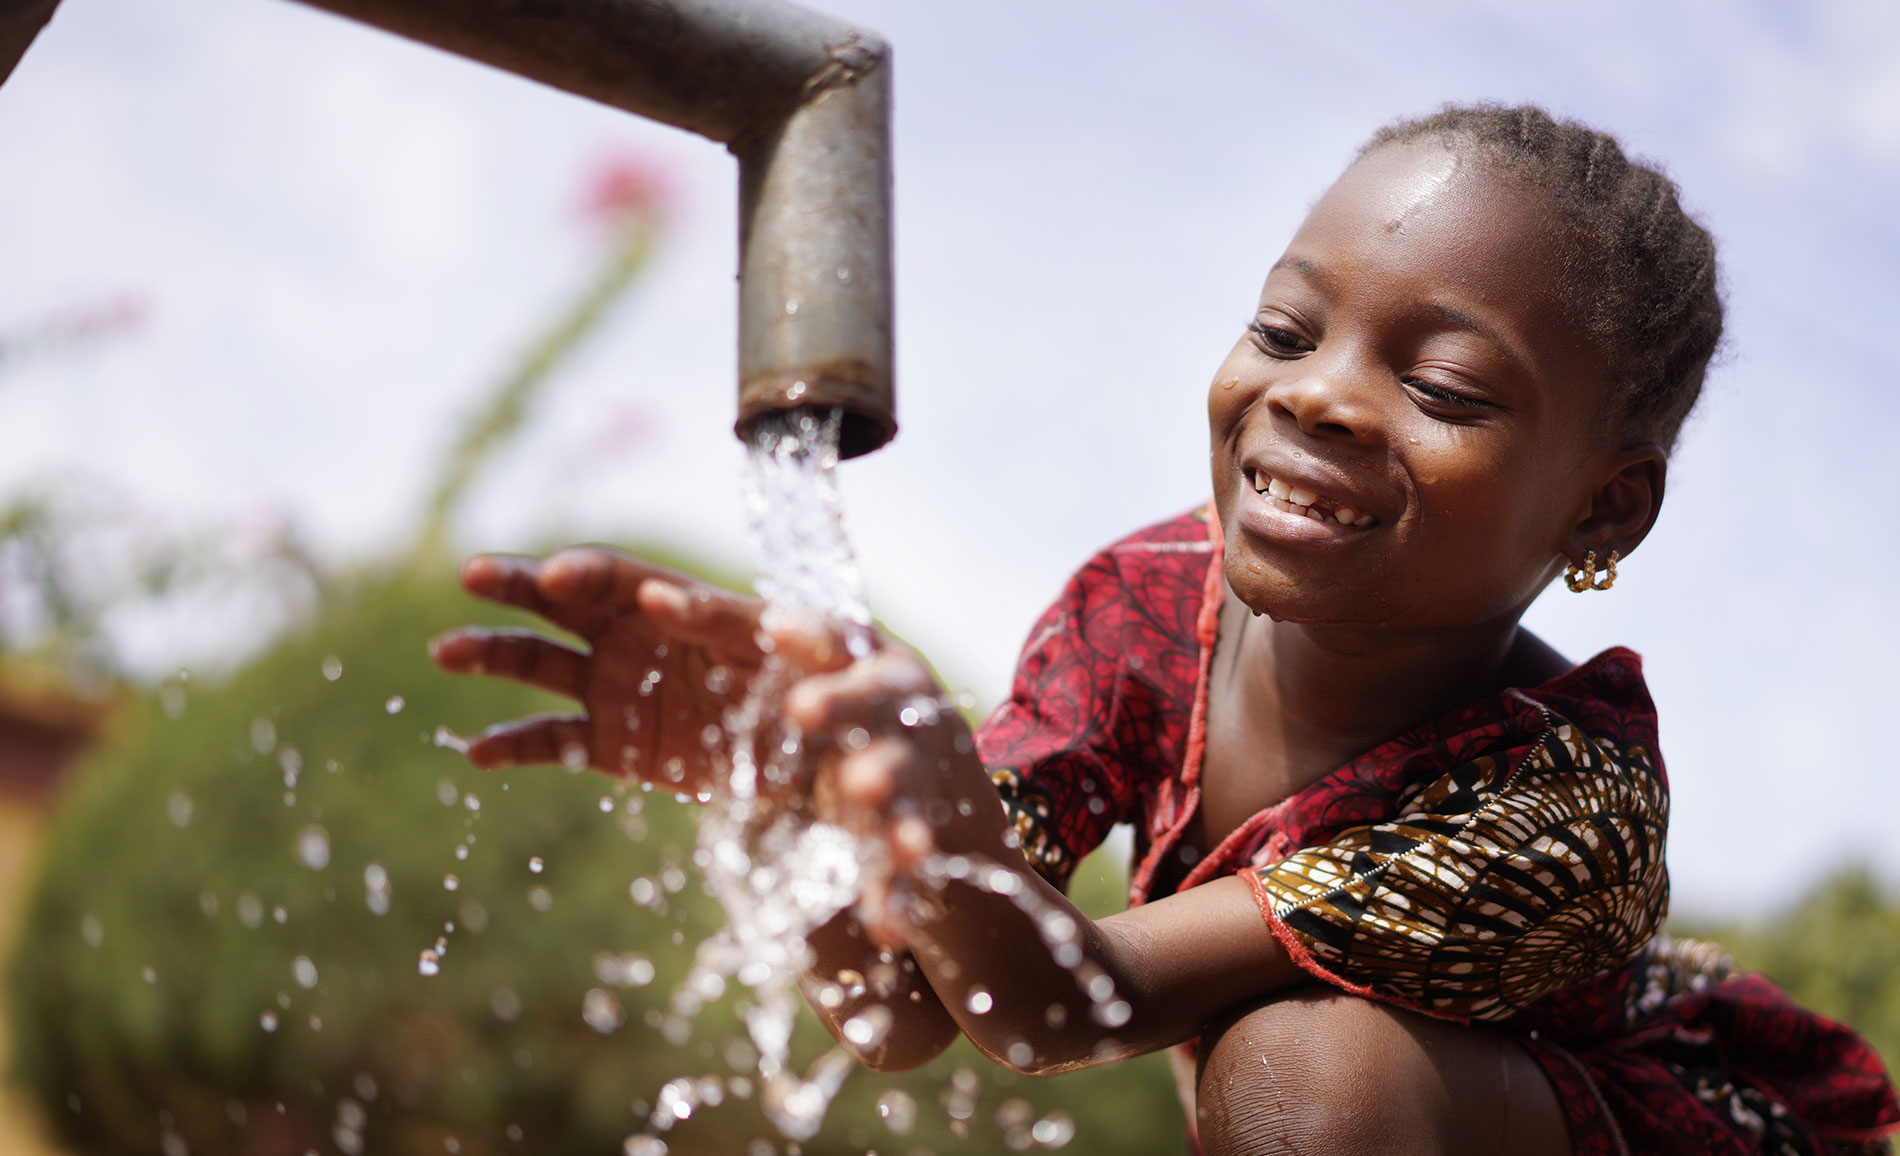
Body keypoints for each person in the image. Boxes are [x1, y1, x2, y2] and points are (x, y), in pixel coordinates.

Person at [430, 104, 1900, 1155]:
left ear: (1603, 512)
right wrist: (798, 798)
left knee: (1306, 1078)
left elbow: (1069, 1005)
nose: (1319, 394)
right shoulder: (1144, 604)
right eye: (1283, 329)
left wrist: (928, 822)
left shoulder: (1561, 800)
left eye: (1444, 389)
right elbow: (904, 1003)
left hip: (1677, 1126)